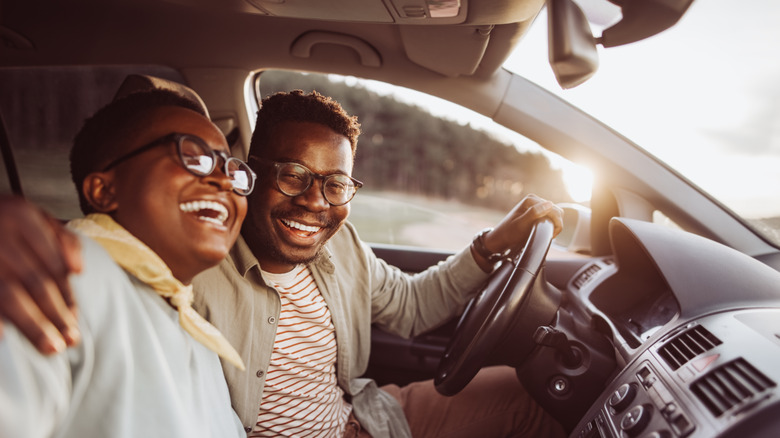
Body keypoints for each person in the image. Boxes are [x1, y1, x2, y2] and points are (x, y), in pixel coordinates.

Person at [0, 89, 565, 437]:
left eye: (336, 184)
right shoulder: (185, 264)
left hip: (365, 418)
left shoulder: (337, 245)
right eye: (293, 175)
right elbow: (97, 252)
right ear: (258, 173)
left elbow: (413, 306)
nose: (316, 202)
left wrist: (492, 245)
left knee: (531, 395)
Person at [0, 88, 255, 438]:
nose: (225, 180)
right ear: (104, 191)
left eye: (233, 170)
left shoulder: (194, 328)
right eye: (192, 156)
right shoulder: (65, 274)